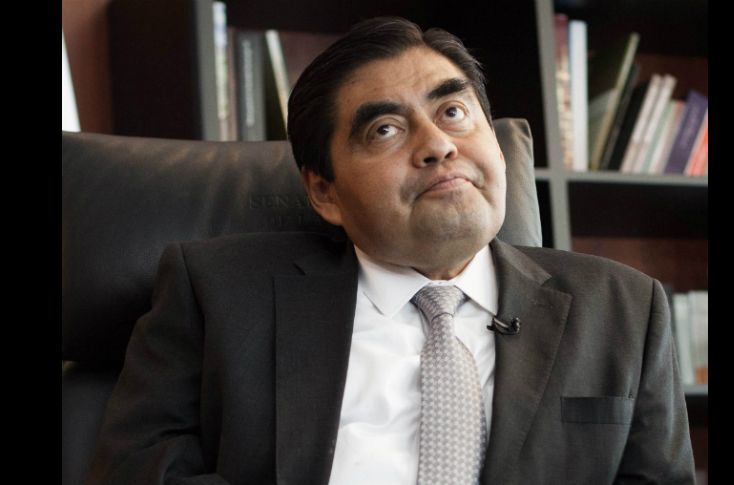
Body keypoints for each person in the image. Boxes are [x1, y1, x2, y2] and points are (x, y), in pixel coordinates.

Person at [86, 16, 695, 484]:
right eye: (385, 129)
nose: (438, 145)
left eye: (453, 111)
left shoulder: (624, 308)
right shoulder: (217, 292)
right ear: (324, 191)